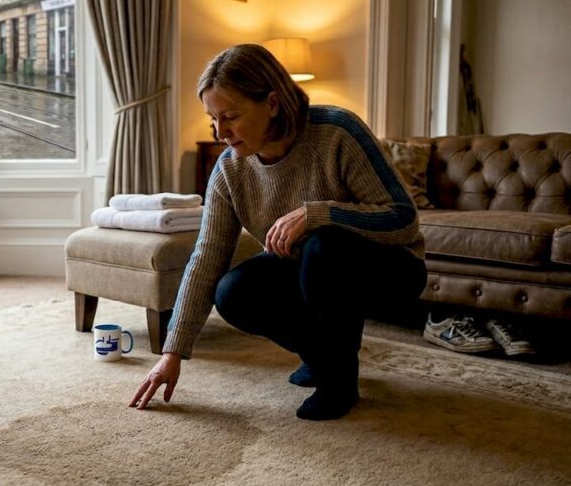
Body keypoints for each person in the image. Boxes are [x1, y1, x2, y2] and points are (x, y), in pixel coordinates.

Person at [128, 44, 427, 420]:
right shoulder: (229, 170)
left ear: (272, 103)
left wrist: (317, 214)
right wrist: (172, 353)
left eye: (230, 116)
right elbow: (206, 257)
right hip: (307, 270)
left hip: (391, 271)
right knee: (232, 291)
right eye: (213, 119)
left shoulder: (337, 131)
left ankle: (338, 383)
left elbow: (403, 219)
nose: (221, 132)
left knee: (323, 247)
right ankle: (322, 356)